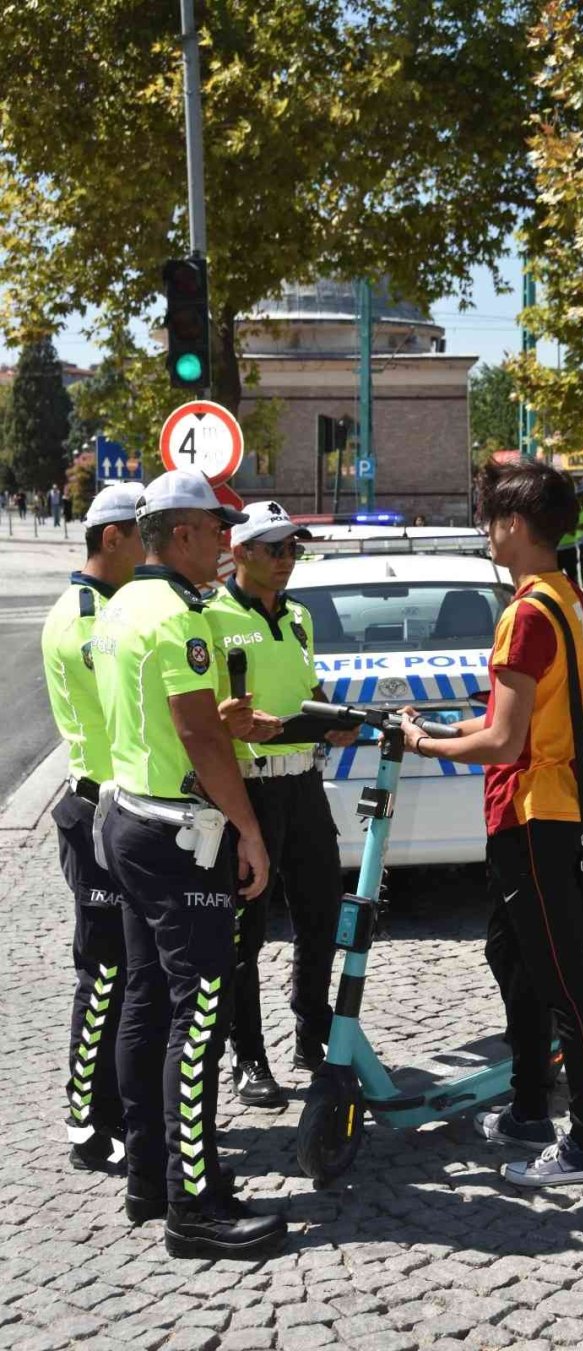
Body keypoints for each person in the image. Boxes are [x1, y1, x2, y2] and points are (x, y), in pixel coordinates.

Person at [400, 456, 583, 1187]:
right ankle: (530, 1106)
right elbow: (513, 714)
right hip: (539, 811)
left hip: (536, 814)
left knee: (563, 980)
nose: (485, 532)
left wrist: (427, 742)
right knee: (514, 957)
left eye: (491, 520)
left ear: (516, 525)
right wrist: (443, 720)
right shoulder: (568, 597)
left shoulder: (525, 613)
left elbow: (504, 740)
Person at [92, 469, 286, 1260]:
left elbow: (175, 717)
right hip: (177, 833)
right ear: (180, 534)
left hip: (127, 814)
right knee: (200, 1012)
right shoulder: (179, 617)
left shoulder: (126, 604)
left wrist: (219, 718)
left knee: (146, 1004)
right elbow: (201, 738)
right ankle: (191, 1207)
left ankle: (150, 1177)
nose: (226, 540)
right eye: (216, 528)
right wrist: (250, 827)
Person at [205, 500, 355, 1107]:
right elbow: (197, 716)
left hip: (303, 783)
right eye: (275, 549)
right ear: (238, 552)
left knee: (322, 911)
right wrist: (230, 724)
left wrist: (331, 717)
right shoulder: (209, 618)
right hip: (249, 789)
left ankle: (310, 1028)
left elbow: (307, 687)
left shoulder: (298, 616)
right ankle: (248, 1057)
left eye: (294, 548)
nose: (287, 559)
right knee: (247, 932)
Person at [41, 482, 146, 1174]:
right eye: (145, 536)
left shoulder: (112, 607)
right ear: (112, 539)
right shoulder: (86, 618)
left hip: (125, 808)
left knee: (127, 968)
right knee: (103, 972)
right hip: (96, 810)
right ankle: (86, 1121)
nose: (151, 550)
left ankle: (118, 1106)